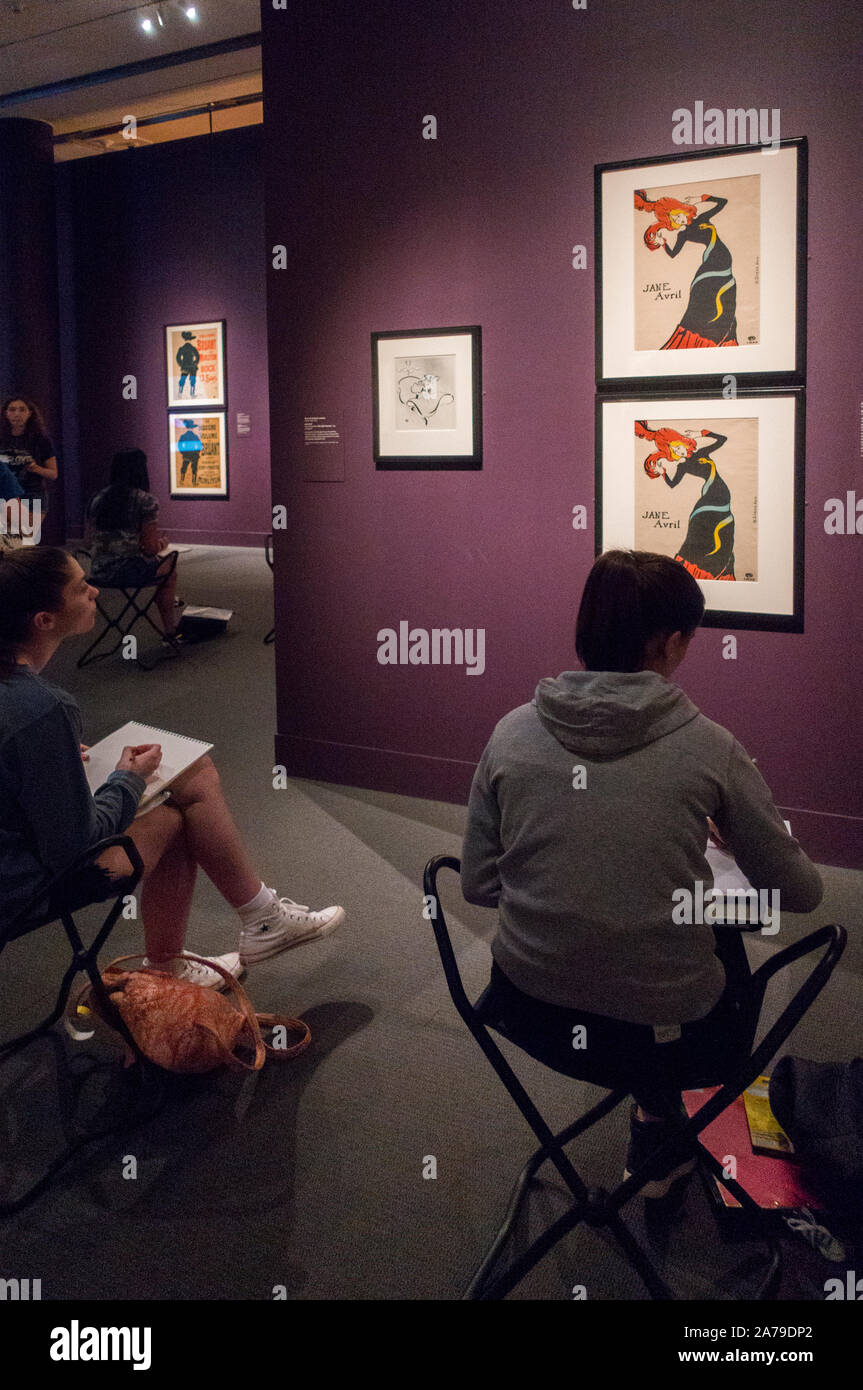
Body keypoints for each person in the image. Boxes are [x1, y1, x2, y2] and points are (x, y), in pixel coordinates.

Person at [460, 550, 822, 1197]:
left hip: (525, 1006)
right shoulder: (710, 748)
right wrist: (736, 837)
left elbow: (478, 886)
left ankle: (654, 1115)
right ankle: (659, 1118)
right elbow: (800, 893)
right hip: (671, 1026)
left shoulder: (509, 733)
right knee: (710, 939)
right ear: (669, 641)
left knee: (635, 926)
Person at [0, 548, 345, 991]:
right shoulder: (42, 708)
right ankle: (218, 941)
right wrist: (128, 777)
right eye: (80, 588)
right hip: (22, 890)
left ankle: (249, 925)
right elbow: (74, 845)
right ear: (43, 620)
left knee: (191, 777)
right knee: (182, 806)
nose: (95, 591)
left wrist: (53, 758)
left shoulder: (26, 706)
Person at [86, 450, 181, 640]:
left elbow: (87, 541)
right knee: (170, 569)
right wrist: (162, 544)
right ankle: (170, 630)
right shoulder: (145, 500)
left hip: (98, 571)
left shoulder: (97, 499)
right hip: (128, 571)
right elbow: (150, 548)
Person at [635, 190, 739, 349]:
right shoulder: (682, 235)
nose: (678, 218)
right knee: (713, 309)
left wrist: (700, 198)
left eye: (677, 214)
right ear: (671, 221)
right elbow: (672, 254)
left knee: (726, 308)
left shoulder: (703, 218)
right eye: (674, 218)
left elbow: (723, 202)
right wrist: (662, 243)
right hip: (711, 269)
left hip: (717, 264)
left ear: (681, 209)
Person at [637, 420, 736, 580]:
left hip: (717, 498)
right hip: (708, 502)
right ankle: (692, 574)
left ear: (682, 441)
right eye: (674, 450)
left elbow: (722, 439)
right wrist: (662, 472)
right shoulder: (682, 467)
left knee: (721, 534)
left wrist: (699, 433)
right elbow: (672, 484)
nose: (678, 451)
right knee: (707, 535)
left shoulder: (702, 453)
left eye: (677, 446)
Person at [0, 395, 58, 528]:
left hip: (33, 493)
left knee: (28, 539)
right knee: (9, 541)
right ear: (5, 413)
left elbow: (53, 474)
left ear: (30, 413)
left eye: (22, 410)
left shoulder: (40, 440)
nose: (17, 414)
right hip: (6, 494)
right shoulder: (2, 438)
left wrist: (36, 468)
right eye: (12, 410)